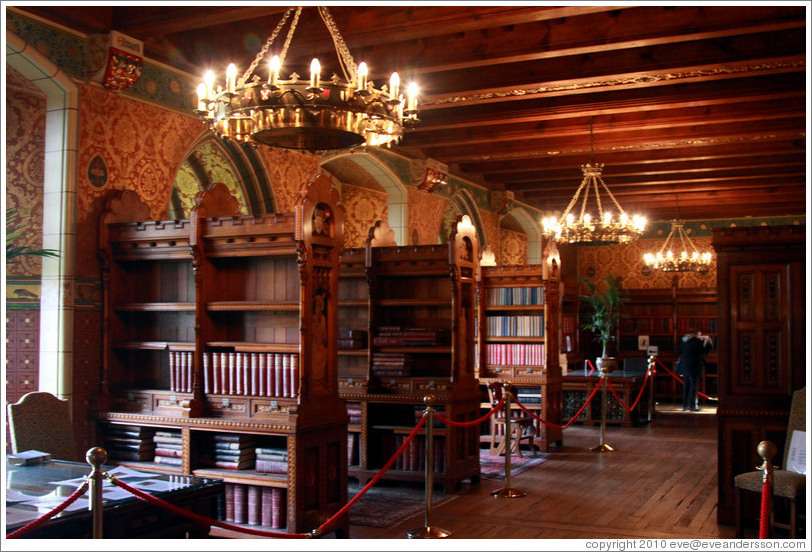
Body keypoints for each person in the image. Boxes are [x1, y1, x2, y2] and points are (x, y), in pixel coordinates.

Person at [678, 327, 712, 411]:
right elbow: (704, 351)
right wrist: (709, 342)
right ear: (695, 334)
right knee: (694, 386)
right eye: (699, 334)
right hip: (694, 366)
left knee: (686, 386)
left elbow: (680, 351)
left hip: (684, 366)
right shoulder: (697, 342)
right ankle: (693, 406)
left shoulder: (683, 341)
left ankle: (685, 405)